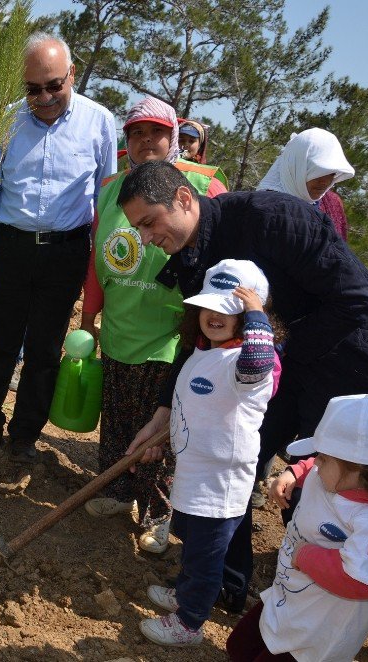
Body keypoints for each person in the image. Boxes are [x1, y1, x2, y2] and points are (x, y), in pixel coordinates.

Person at [120, 160, 368, 609]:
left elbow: (356, 303)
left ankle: (320, 601)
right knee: (233, 462)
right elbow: (199, 342)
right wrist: (165, 411)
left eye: (150, 223)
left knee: (329, 489)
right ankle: (225, 586)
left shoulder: (272, 220)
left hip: (351, 365)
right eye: (138, 229)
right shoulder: (191, 258)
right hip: (269, 370)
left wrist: (268, 354)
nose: (147, 239)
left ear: (184, 199)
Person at [81, 97, 228, 554]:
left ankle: (158, 512)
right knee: (119, 415)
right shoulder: (110, 188)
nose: (146, 142)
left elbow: (219, 255)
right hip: (122, 323)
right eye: (135, 134)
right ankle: (117, 490)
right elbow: (96, 261)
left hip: (172, 334)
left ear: (174, 136)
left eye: (156, 133)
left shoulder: (203, 184)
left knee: (161, 427)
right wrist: (89, 317)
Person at [0, 32, 116, 464]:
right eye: (34, 89)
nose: (46, 97)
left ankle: (25, 435)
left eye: (55, 85)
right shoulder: (5, 120)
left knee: (46, 351)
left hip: (66, 252)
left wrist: (96, 267)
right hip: (11, 249)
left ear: (72, 74)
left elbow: (104, 199)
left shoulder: (100, 122)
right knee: (0, 345)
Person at [137, 260, 276, 646]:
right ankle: (186, 593)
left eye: (228, 310)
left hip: (221, 483)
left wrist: (256, 315)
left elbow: (257, 362)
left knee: (205, 557)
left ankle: (190, 622)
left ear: (247, 320)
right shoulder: (205, 352)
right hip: (193, 471)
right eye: (208, 307)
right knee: (190, 543)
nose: (214, 316)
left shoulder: (245, 365)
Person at [226, 394, 368, 662]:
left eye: (324, 458)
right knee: (239, 646)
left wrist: (305, 556)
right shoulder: (336, 477)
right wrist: (293, 473)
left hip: (315, 632)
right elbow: (312, 466)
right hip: (288, 598)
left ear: (362, 471)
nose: (316, 462)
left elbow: (363, 582)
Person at [257, 127, 355, 240]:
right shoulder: (264, 209)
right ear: (296, 166)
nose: (325, 182)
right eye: (315, 172)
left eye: (331, 173)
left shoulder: (332, 203)